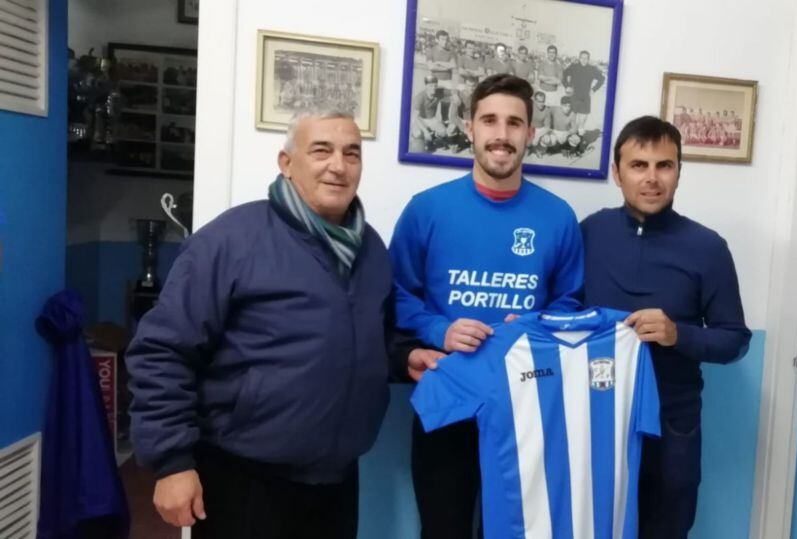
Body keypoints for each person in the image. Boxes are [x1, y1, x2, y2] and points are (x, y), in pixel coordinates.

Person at [125, 108, 433, 538]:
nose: (338, 166)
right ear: (286, 163)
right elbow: (162, 350)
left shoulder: (371, 248)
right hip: (244, 480)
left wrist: (404, 357)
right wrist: (172, 462)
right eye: (321, 151)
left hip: (337, 480)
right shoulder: (230, 240)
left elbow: (373, 335)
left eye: (352, 153)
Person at [390, 73, 584, 539]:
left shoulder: (558, 217)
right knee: (444, 529)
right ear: (469, 128)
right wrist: (440, 330)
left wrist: (536, 324)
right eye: (490, 120)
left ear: (531, 134)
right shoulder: (427, 210)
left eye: (515, 123)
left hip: (527, 408)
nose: (502, 134)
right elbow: (395, 293)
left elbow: (571, 301)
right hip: (447, 397)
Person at [580, 116, 752, 539]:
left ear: (678, 173)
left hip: (672, 420)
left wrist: (679, 334)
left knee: (666, 528)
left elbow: (735, 340)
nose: (652, 178)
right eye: (639, 165)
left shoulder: (707, 248)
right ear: (617, 173)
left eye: (665, 165)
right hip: (595, 412)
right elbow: (559, 310)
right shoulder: (588, 233)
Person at [561, 50, 606, 132]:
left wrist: (594, 89)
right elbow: (563, 74)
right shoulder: (574, 67)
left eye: (586, 58)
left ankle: (579, 133)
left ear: (588, 59)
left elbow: (602, 79)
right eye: (582, 58)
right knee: (572, 120)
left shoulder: (592, 69)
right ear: (579, 58)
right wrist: (567, 86)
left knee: (582, 123)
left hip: (585, 97)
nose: (584, 60)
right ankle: (571, 134)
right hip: (573, 96)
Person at [411, 74, 448, 151]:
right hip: (421, 120)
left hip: (432, 119)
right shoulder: (419, 97)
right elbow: (415, 117)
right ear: (426, 86)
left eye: (435, 85)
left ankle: (432, 137)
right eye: (431, 86)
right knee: (417, 133)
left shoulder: (439, 93)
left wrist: (455, 95)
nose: (433, 88)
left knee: (444, 132)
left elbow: (453, 91)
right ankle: (424, 139)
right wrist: (425, 131)